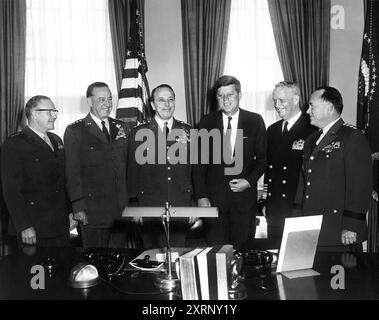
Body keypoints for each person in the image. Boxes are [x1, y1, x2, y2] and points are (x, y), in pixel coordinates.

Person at [294, 86, 372, 251]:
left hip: (339, 231)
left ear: (329, 107)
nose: (308, 111)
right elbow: (304, 182)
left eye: (312, 105)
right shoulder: (312, 140)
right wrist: (297, 218)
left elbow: (359, 185)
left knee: (341, 275)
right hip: (313, 227)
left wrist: (351, 225)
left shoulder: (352, 137)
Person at [193, 75, 267, 249]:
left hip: (243, 201)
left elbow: (263, 160)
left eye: (230, 94)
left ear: (239, 95)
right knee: (216, 253)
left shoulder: (255, 121)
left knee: (242, 251)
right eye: (220, 96)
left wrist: (249, 181)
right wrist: (201, 196)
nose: (225, 100)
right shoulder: (206, 122)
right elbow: (198, 164)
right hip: (213, 200)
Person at [1, 95, 76, 248]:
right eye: (49, 111)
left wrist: (70, 211)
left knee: (61, 268)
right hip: (33, 227)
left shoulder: (56, 140)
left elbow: (63, 181)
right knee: (34, 270)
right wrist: (24, 226)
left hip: (59, 224)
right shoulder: (14, 144)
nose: (54, 115)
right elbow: (11, 191)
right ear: (34, 114)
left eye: (55, 111)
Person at [127, 84, 195, 248]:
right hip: (149, 204)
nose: (167, 104)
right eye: (161, 100)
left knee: (178, 256)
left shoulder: (188, 131)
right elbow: (132, 173)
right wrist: (134, 206)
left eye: (170, 99)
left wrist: (194, 204)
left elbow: (194, 172)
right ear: (152, 104)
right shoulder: (138, 133)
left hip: (181, 204)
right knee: (153, 256)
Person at [64, 82, 128, 248]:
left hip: (121, 210)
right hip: (93, 212)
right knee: (95, 264)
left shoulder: (121, 127)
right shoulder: (75, 131)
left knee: (119, 260)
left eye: (109, 99)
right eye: (101, 100)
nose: (107, 104)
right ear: (89, 102)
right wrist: (78, 207)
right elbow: (72, 173)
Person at [263, 81, 316, 239]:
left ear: (295, 99)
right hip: (275, 208)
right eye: (275, 101)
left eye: (282, 100)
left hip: (298, 207)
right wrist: (266, 201)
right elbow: (269, 170)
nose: (277, 105)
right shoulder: (272, 130)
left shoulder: (312, 128)